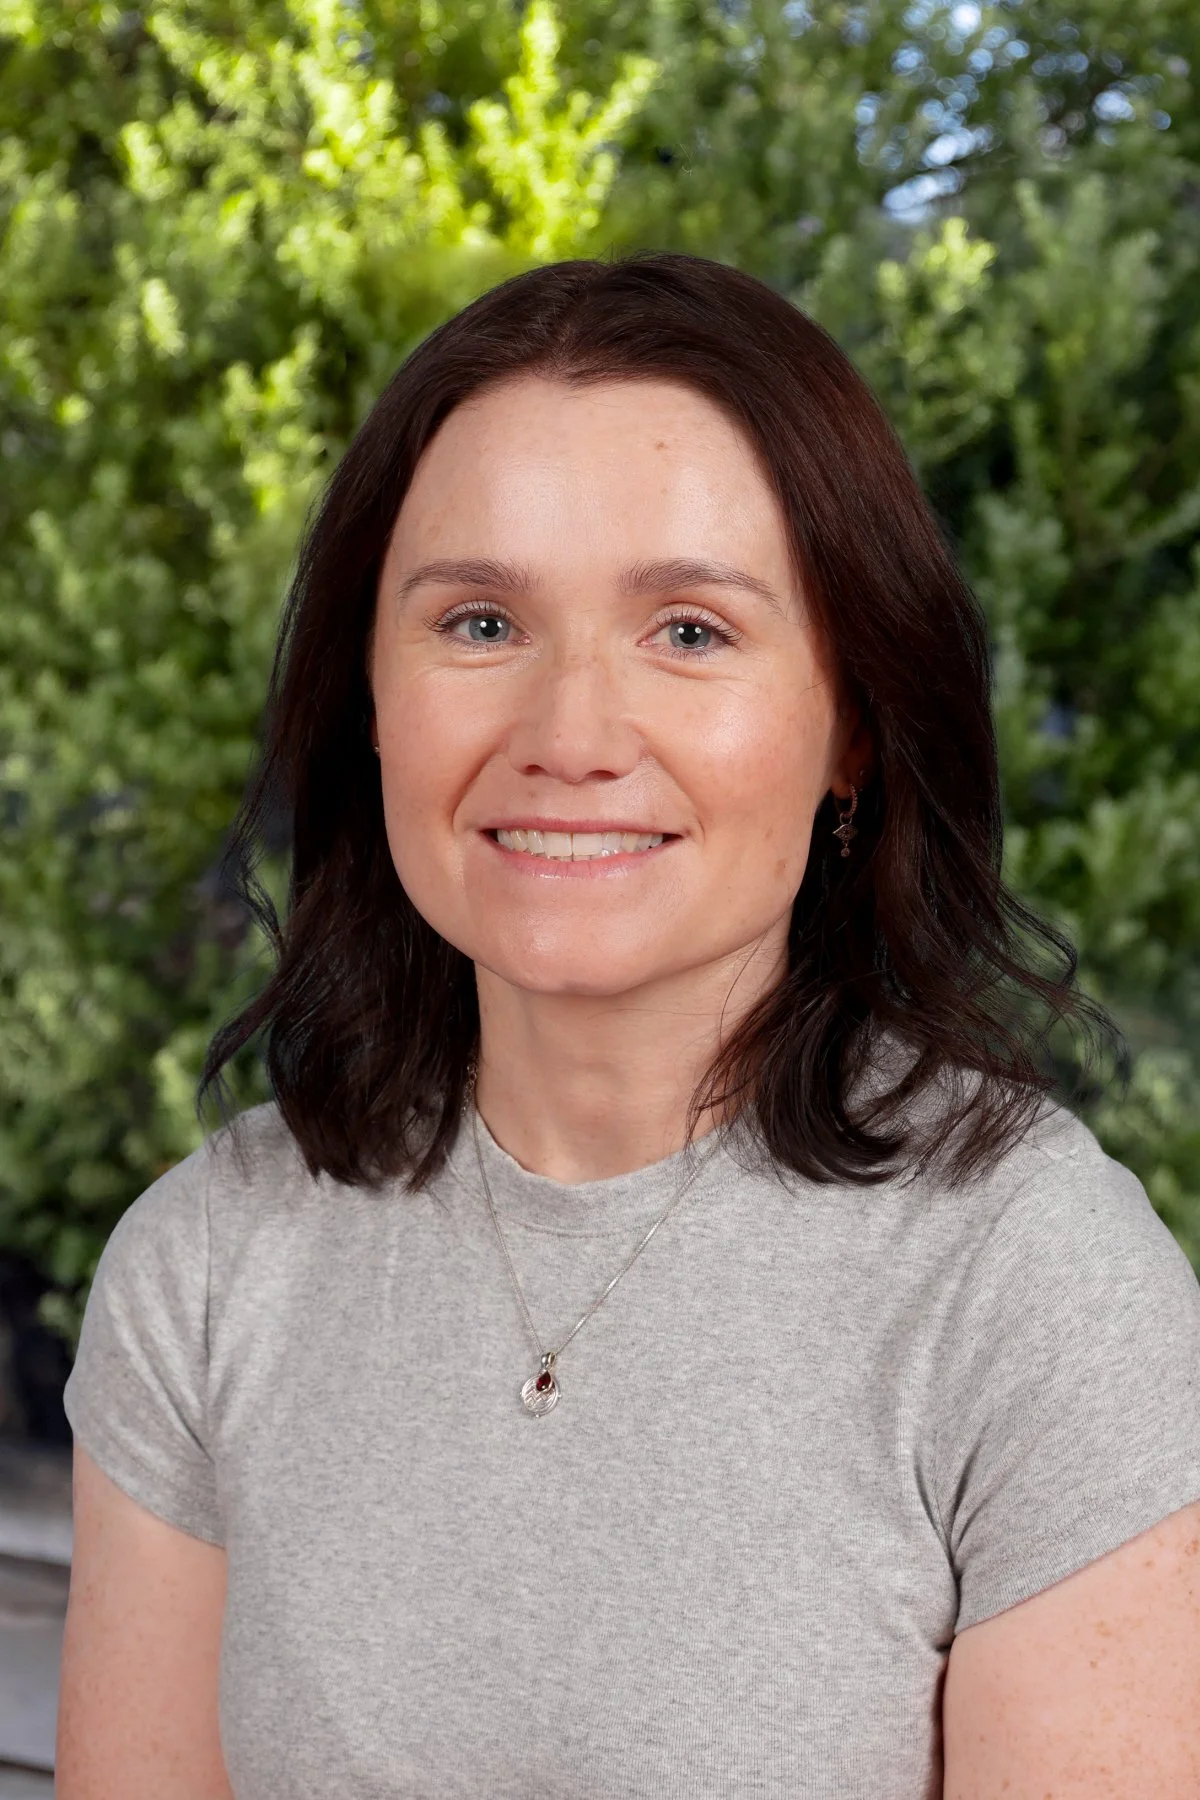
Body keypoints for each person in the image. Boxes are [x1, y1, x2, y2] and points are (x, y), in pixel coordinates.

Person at [56, 253, 1200, 1800]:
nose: (571, 737)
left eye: (689, 632)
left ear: (851, 722)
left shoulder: (1032, 1283)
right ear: (371, 700)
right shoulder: (207, 1268)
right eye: (477, 624)